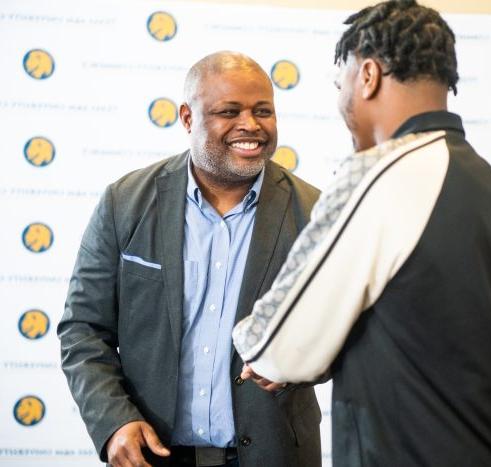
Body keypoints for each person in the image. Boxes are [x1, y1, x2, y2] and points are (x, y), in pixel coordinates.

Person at [232, 2, 491, 466]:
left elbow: (275, 345)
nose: (342, 102)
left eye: (341, 85)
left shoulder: (378, 174)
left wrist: (260, 345)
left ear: (368, 75)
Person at [58, 51, 322, 467]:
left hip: (274, 454)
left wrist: (300, 362)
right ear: (187, 118)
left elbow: (340, 336)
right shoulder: (124, 203)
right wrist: (112, 421)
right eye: (229, 111)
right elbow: (83, 329)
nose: (250, 125)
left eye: (263, 111)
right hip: (153, 454)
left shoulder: (315, 213)